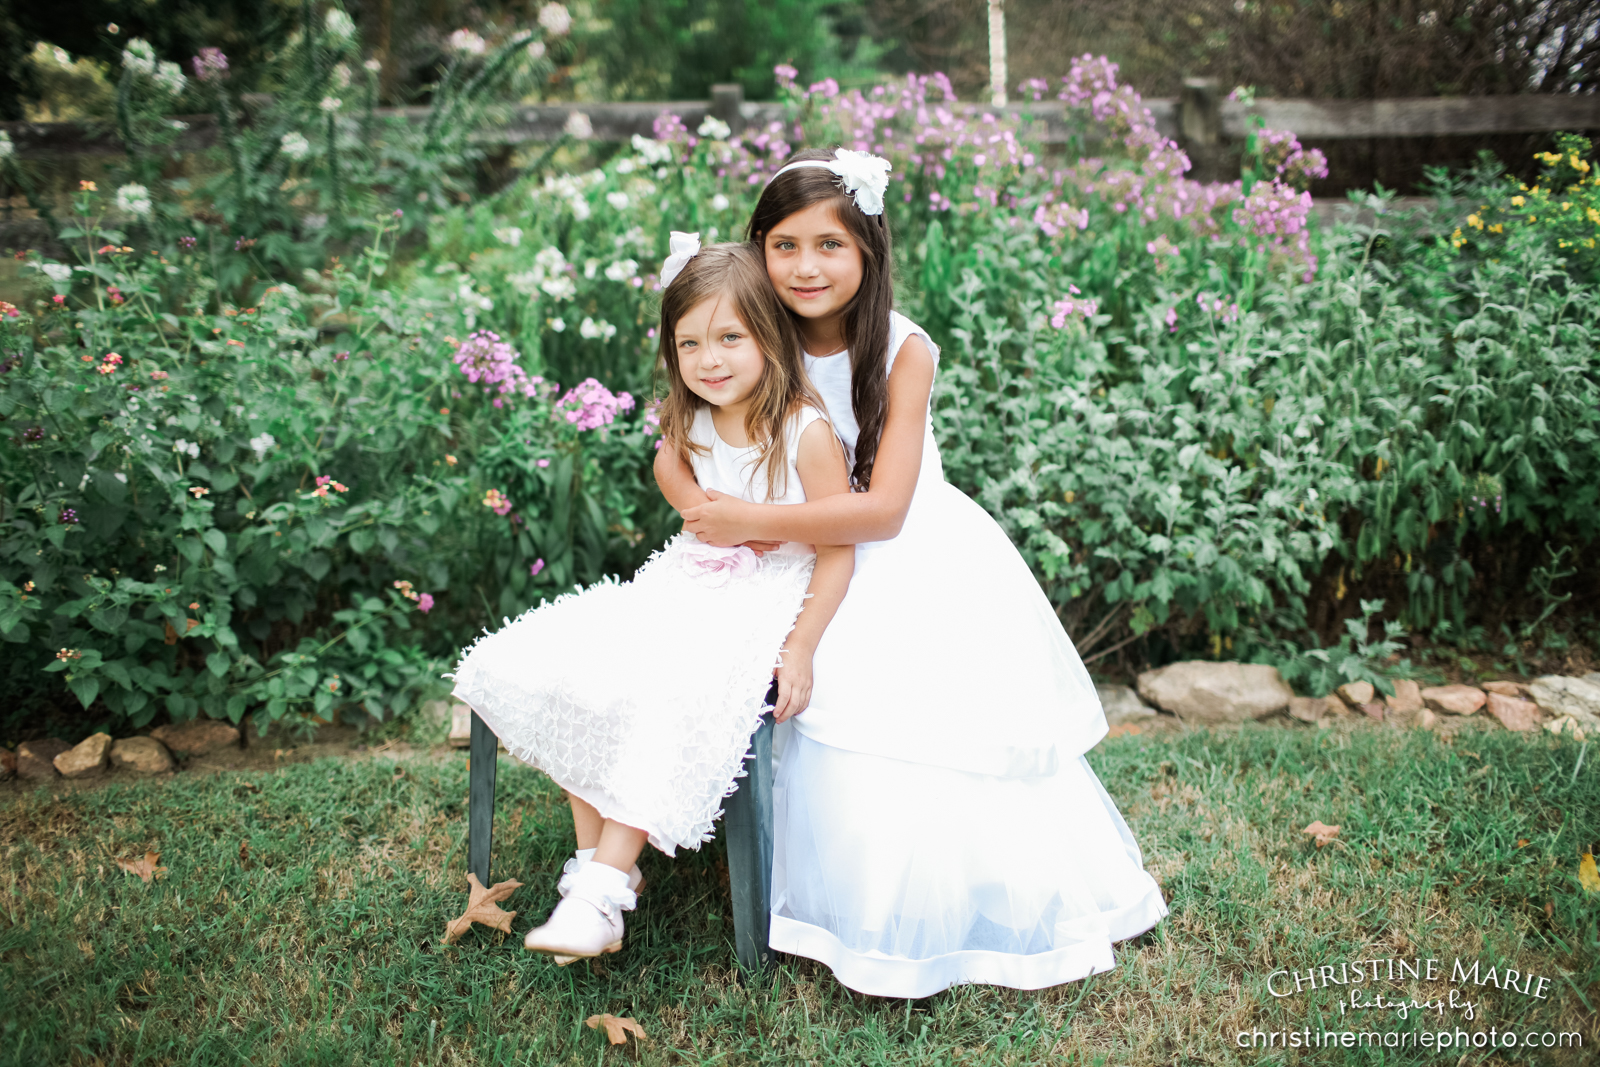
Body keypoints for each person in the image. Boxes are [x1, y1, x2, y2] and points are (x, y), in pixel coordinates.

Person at [655, 147, 1169, 998]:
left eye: (830, 244)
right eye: (783, 245)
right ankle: (746, 861)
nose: (805, 266)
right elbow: (679, 430)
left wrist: (748, 519)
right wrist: (705, 506)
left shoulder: (901, 348)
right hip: (798, 553)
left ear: (869, 249)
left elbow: (884, 510)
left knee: (905, 718)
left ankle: (918, 899)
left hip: (904, 554)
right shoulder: (752, 329)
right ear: (756, 251)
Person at [451, 239, 854, 962]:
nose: (710, 359)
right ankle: (598, 869)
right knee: (579, 670)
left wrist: (800, 646)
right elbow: (667, 457)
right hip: (687, 577)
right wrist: (698, 507)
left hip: (762, 599)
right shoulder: (693, 412)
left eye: (731, 337)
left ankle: (602, 888)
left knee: (669, 687)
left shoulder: (804, 429)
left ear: (768, 334)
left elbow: (838, 546)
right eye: (690, 342)